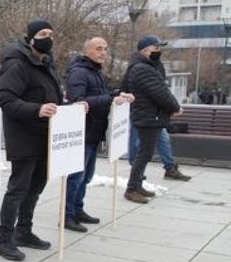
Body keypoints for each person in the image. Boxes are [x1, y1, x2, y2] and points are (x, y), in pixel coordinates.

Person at [0, 20, 70, 261]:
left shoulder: (46, 63)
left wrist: (71, 109)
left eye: (51, 33)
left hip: (46, 138)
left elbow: (52, 97)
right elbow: (4, 98)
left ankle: (23, 231)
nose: (49, 38)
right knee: (18, 189)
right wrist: (36, 110)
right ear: (30, 38)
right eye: (43, 33)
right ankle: (3, 239)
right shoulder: (17, 64)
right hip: (24, 137)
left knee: (36, 188)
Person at [63, 37, 134, 232]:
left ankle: (78, 209)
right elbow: (78, 102)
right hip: (83, 132)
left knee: (86, 176)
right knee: (77, 176)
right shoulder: (79, 73)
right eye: (98, 49)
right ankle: (67, 215)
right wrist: (111, 97)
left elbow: (100, 96)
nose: (103, 52)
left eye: (105, 49)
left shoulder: (96, 72)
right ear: (87, 51)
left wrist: (120, 94)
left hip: (95, 131)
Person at [121, 36, 183, 203]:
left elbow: (160, 88)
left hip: (149, 115)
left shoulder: (147, 66)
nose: (159, 51)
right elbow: (159, 92)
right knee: (144, 154)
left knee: (145, 153)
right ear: (145, 50)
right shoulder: (143, 68)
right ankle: (132, 189)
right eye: (156, 47)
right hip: (148, 116)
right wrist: (175, 107)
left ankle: (137, 185)